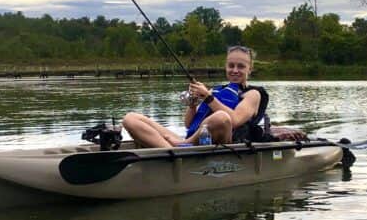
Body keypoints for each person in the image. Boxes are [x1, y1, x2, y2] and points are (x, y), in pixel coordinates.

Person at [122, 45, 301, 148]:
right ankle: (174, 148)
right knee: (131, 118)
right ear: (226, 66)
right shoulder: (218, 91)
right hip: (193, 138)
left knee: (222, 117)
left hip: (224, 140)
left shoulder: (253, 94)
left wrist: (208, 97)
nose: (235, 70)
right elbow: (189, 124)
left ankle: (178, 147)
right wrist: (192, 104)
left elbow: (235, 120)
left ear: (249, 69)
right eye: (231, 65)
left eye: (241, 66)